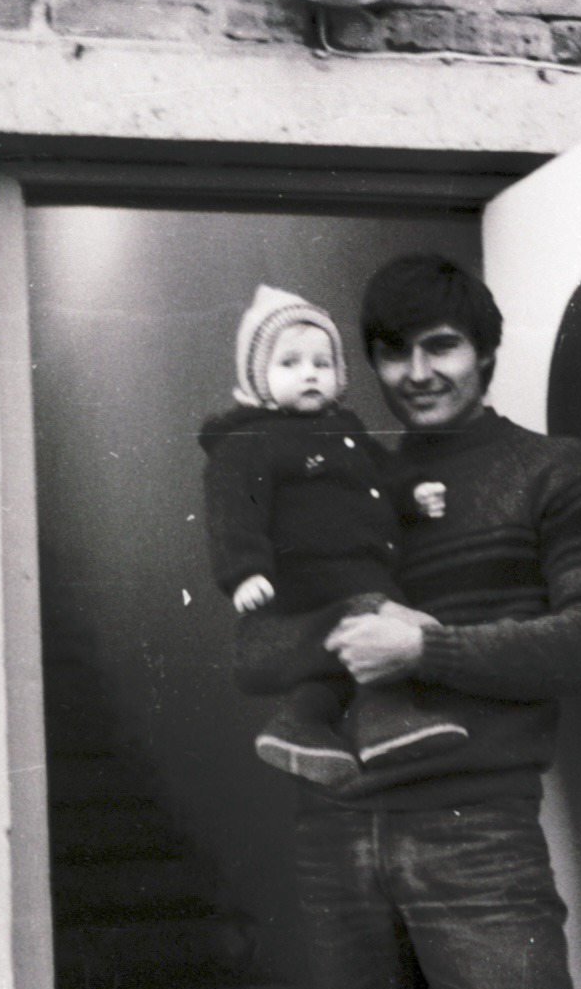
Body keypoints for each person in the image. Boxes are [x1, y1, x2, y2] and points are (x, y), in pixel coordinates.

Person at [261, 254, 581, 989]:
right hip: (335, 829)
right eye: (394, 354)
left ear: (485, 352)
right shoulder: (354, 480)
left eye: (441, 348)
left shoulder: (552, 468)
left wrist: (426, 652)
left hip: (472, 832)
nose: (418, 374)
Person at [198, 285, 471, 787]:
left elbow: (385, 471)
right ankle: (388, 719)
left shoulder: (345, 427)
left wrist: (413, 494)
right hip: (312, 574)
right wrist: (244, 572)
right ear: (257, 378)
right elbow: (233, 508)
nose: (309, 374)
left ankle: (300, 725)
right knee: (391, 626)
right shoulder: (251, 442)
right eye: (290, 364)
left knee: (340, 661)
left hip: (364, 569)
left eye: (322, 364)